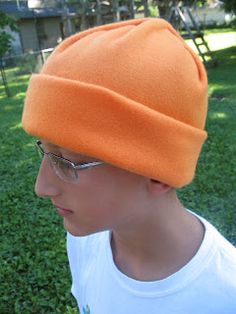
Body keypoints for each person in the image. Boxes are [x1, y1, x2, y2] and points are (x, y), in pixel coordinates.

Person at [21, 18, 236, 314]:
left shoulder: (225, 297)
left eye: (68, 162)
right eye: (45, 151)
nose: (41, 187)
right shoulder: (85, 243)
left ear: (158, 172)